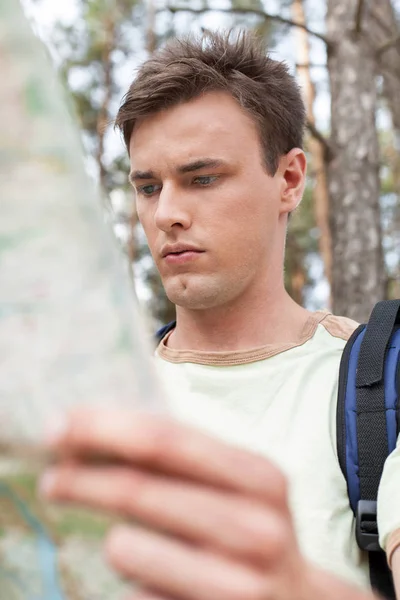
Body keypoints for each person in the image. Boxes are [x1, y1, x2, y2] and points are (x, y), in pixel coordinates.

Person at [40, 31, 400, 599]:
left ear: (288, 180)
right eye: (147, 186)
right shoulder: (85, 402)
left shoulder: (376, 388)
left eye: (202, 178)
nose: (168, 214)